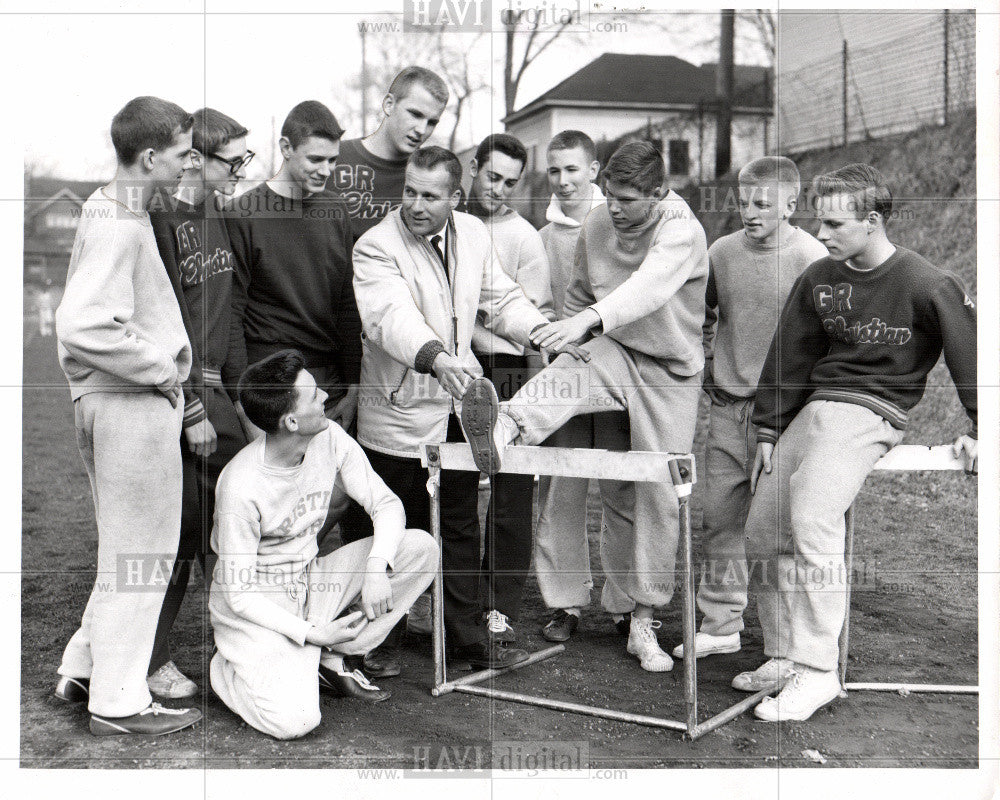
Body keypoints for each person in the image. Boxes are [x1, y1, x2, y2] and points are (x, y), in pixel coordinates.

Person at [736, 163, 977, 722]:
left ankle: (819, 672)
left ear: (872, 221)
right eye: (819, 223)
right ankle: (783, 654)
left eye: (835, 225)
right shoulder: (821, 277)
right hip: (815, 412)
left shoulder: (926, 282)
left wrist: (981, 427)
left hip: (872, 413)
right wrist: (770, 427)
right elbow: (789, 352)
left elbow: (973, 355)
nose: (821, 235)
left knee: (814, 519)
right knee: (763, 530)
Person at [463, 141, 709, 673]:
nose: (613, 208)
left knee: (658, 492)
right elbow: (575, 297)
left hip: (670, 371)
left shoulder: (680, 227)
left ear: (659, 194)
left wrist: (589, 319)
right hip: (611, 349)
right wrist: (576, 332)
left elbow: (648, 287)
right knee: (574, 381)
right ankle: (503, 426)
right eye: (610, 197)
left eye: (625, 199)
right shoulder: (597, 225)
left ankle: (642, 618)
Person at [351, 146, 566, 675]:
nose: (415, 205)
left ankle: (468, 640)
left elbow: (502, 298)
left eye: (430, 196)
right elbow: (390, 318)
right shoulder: (375, 247)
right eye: (409, 192)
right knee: (387, 527)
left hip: (456, 406)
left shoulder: (471, 233)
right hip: (397, 411)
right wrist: (435, 358)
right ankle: (375, 640)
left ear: (454, 196)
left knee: (460, 526)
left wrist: (542, 332)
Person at [53, 96, 202, 735]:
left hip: (112, 404)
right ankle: (117, 701)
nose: (187, 162)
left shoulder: (115, 209)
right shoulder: (118, 218)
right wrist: (161, 367)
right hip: (129, 406)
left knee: (128, 550)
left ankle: (84, 666)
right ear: (149, 156)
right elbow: (82, 323)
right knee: (142, 556)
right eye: (180, 151)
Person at [209, 350, 438, 740]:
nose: (325, 399)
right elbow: (240, 594)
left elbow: (385, 504)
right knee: (295, 722)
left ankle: (325, 656)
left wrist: (376, 566)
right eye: (314, 395)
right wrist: (310, 634)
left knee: (419, 548)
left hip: (311, 583)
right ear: (291, 421)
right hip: (258, 606)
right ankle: (230, 669)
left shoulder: (329, 436)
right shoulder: (241, 486)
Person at [671, 156, 829, 662]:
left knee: (774, 529)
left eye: (762, 204)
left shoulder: (813, 257)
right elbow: (701, 314)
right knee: (720, 518)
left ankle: (787, 644)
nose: (750, 213)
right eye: (742, 202)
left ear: (790, 204)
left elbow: (826, 338)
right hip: (727, 409)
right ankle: (720, 625)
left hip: (785, 417)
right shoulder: (721, 252)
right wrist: (714, 362)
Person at [148, 107, 255, 699]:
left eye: (246, 158)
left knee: (235, 531)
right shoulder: (161, 217)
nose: (241, 169)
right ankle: (147, 659)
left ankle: (234, 653)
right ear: (195, 157)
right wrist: (191, 408)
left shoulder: (223, 215)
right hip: (173, 398)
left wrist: (243, 403)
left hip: (218, 396)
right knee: (178, 535)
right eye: (232, 159)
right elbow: (164, 324)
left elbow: (227, 317)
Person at [532, 130, 633, 644]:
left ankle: (626, 605)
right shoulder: (542, 238)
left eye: (574, 169)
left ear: (594, 170)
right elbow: (538, 307)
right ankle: (565, 602)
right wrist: (554, 338)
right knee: (561, 492)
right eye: (555, 170)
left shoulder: (622, 224)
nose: (565, 180)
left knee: (621, 488)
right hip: (565, 377)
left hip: (618, 382)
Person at [464, 132, 554, 642]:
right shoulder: (452, 225)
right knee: (453, 481)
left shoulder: (524, 237)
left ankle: (500, 604)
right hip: (457, 366)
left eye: (510, 183)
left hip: (508, 369)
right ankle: (453, 599)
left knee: (510, 487)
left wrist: (470, 328)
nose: (498, 189)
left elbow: (528, 318)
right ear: (474, 169)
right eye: (491, 177)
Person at [225, 100, 360, 432]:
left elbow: (347, 303)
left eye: (332, 161)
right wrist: (243, 405)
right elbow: (231, 314)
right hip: (270, 387)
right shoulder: (241, 214)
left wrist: (355, 385)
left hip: (329, 386)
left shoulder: (336, 211)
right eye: (315, 159)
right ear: (286, 147)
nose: (326, 170)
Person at [334, 66, 449, 242]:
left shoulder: (436, 177)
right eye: (415, 114)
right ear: (389, 104)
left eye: (432, 122)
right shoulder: (332, 159)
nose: (421, 129)